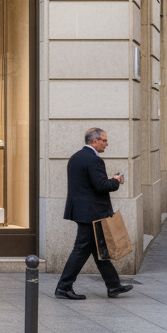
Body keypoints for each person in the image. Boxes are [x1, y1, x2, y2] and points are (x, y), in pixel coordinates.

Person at [54, 127, 133, 300]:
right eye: (104, 140)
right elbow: (101, 186)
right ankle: (63, 287)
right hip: (91, 213)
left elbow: (87, 185)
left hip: (82, 211)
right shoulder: (94, 160)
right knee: (81, 250)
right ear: (94, 141)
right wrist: (115, 181)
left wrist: (108, 180)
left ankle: (113, 285)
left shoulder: (76, 157)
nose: (107, 143)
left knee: (99, 250)